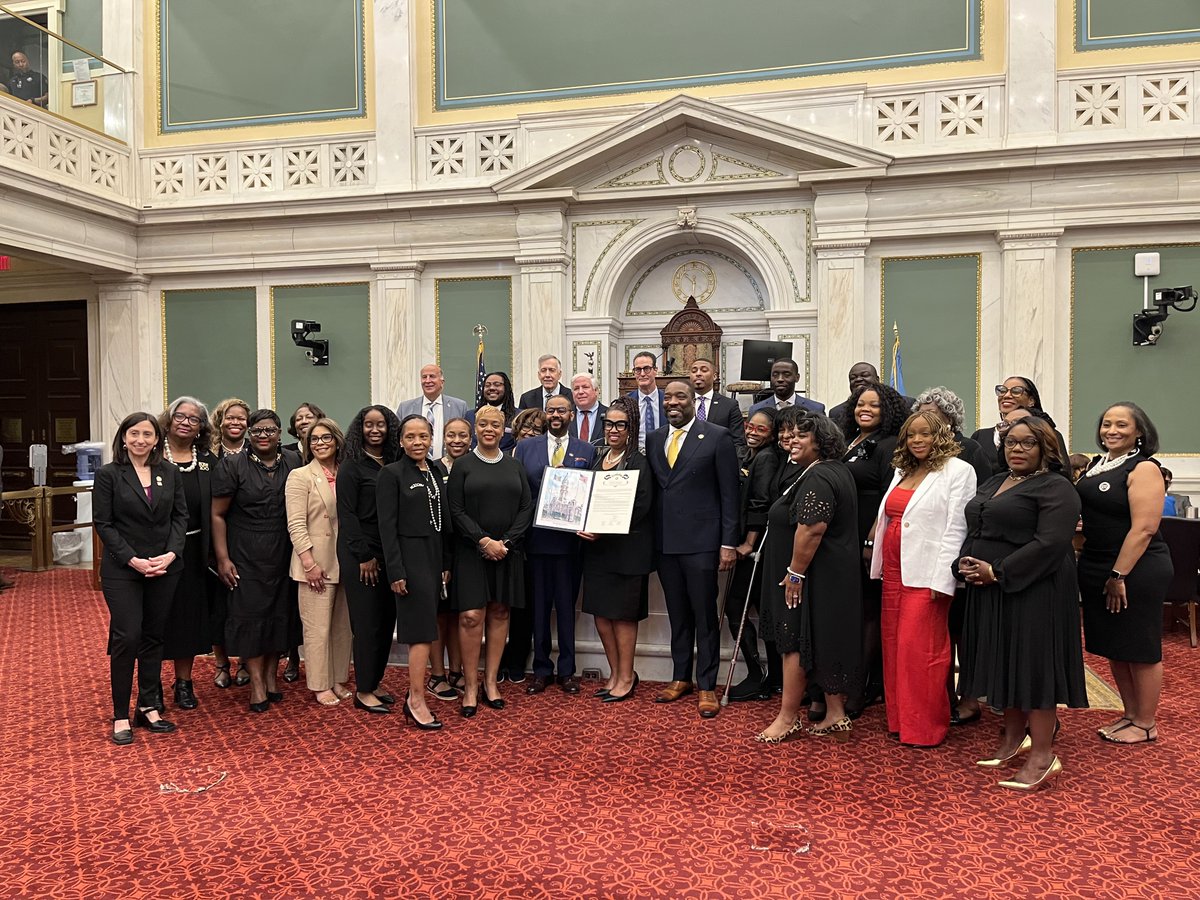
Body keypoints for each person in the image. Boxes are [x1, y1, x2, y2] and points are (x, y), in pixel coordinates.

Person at [955, 417, 1087, 790]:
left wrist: (997, 571)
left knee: (1033, 667)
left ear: (1046, 448)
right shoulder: (997, 481)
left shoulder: (1057, 488)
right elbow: (975, 526)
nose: (1016, 448)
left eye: (1028, 443)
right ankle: (1013, 741)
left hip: (1035, 587)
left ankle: (1044, 754)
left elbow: (1050, 544)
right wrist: (963, 563)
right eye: (1011, 442)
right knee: (1005, 661)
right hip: (991, 587)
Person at [869, 411, 976, 747]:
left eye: (924, 434)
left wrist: (943, 580)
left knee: (922, 650)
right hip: (894, 570)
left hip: (927, 574)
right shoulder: (903, 469)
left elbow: (957, 528)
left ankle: (926, 728)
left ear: (940, 435)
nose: (917, 440)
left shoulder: (959, 471)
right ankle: (901, 721)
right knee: (895, 646)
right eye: (911, 435)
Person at [757, 412, 862, 742]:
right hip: (828, 577)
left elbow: (812, 529)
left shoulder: (819, 478)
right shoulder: (830, 471)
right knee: (817, 642)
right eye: (789, 433)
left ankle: (787, 718)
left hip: (810, 579)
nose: (792, 440)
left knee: (795, 644)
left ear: (822, 441)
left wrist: (795, 574)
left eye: (802, 435)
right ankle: (835, 715)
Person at [1077, 402, 1173, 745]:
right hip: (1097, 564)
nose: (1111, 431)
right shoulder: (1097, 465)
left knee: (1139, 645)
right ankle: (1130, 714)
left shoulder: (1143, 467)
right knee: (1115, 645)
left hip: (1135, 568)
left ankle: (1147, 722)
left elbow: (1144, 529)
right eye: (1106, 424)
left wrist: (1118, 575)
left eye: (1121, 425)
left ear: (1139, 432)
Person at [646, 381, 740, 719]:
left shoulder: (716, 436)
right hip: (667, 543)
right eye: (668, 397)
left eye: (680, 397)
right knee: (677, 615)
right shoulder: (655, 438)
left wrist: (728, 543)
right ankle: (680, 677)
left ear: (693, 402)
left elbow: (730, 495)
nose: (673, 402)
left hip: (703, 543)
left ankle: (706, 686)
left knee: (704, 616)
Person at [93, 412, 188, 744]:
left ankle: (148, 706)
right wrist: (132, 559)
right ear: (123, 437)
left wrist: (172, 553)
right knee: (128, 636)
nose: (140, 440)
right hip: (123, 570)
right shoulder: (108, 475)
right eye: (134, 434)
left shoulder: (169, 472)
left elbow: (181, 517)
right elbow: (103, 524)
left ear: (156, 440)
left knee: (153, 636)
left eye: (147, 434)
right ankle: (121, 714)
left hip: (164, 566)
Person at [211, 409, 302, 713]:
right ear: (249, 434)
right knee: (252, 614)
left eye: (270, 430)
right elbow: (218, 514)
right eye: (257, 431)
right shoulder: (232, 465)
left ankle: (272, 677)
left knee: (280, 613)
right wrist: (223, 558)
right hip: (245, 550)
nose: (263, 436)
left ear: (280, 433)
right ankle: (257, 684)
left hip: (284, 548)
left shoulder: (293, 460)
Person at [911, 385, 992, 725]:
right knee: (935, 632)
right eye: (922, 413)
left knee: (961, 631)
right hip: (923, 555)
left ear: (950, 418)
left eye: (935, 414)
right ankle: (941, 696)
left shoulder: (970, 450)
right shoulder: (915, 453)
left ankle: (969, 698)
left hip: (962, 554)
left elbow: (979, 505)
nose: (927, 419)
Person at [447, 405, 534, 717]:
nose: (488, 429)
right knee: (471, 615)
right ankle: (470, 685)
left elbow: (527, 507)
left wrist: (505, 542)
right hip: (471, 551)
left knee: (499, 611)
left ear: (503, 429)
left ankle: (491, 683)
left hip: (507, 552)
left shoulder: (514, 466)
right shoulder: (463, 466)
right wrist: (483, 540)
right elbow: (454, 509)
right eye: (482, 424)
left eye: (495, 425)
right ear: (475, 428)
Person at [514, 394, 596, 693]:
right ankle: (541, 669)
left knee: (565, 608)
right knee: (538, 609)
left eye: (562, 410)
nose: (556, 415)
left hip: (570, 544)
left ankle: (567, 671)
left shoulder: (586, 450)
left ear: (572, 415)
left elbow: (591, 495)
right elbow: (520, 493)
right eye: (551, 411)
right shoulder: (525, 448)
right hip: (536, 540)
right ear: (545, 415)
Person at [377, 416, 453, 731]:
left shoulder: (437, 470)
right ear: (402, 440)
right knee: (420, 632)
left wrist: (446, 563)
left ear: (431, 438)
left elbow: (444, 520)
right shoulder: (391, 474)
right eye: (410, 437)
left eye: (423, 436)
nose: (417, 442)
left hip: (435, 558)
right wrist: (396, 570)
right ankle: (416, 699)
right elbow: (386, 528)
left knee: (428, 627)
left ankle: (416, 693)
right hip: (409, 560)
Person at [839, 382, 909, 717]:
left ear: (889, 411)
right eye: (860, 404)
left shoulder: (889, 444)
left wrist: (871, 540)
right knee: (850, 611)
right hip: (842, 536)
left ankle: (862, 687)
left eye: (874, 405)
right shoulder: (850, 440)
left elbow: (888, 495)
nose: (865, 410)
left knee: (868, 612)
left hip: (868, 537)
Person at [578, 396, 654, 702]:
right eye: (608, 423)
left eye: (620, 425)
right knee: (601, 615)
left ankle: (627, 676)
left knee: (623, 616)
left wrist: (602, 529)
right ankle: (614, 673)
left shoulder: (639, 461)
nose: (613, 429)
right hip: (597, 551)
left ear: (630, 428)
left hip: (627, 551)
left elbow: (642, 507)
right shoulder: (598, 458)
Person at [336, 405, 402, 714]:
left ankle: (374, 682)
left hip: (388, 551)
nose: (375, 430)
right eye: (368, 425)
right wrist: (363, 556)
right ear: (359, 429)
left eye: (381, 425)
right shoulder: (351, 465)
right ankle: (363, 690)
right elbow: (346, 515)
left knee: (386, 620)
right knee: (366, 623)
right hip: (359, 553)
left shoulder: (394, 462)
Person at [284, 418, 352, 707]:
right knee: (317, 628)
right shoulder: (300, 476)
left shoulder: (347, 473)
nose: (320, 443)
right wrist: (309, 562)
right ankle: (320, 684)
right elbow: (296, 524)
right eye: (314, 439)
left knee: (341, 627)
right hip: (314, 563)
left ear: (337, 441)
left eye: (326, 438)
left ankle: (337, 678)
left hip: (345, 560)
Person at [158, 397, 218, 712]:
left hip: (195, 552)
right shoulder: (151, 456)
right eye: (179, 416)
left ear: (201, 428)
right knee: (155, 618)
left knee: (188, 620)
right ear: (167, 421)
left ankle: (184, 682)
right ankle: (151, 683)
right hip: (154, 552)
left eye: (194, 419)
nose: (186, 422)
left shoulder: (208, 460)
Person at [725, 409, 782, 702]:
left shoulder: (767, 458)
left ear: (772, 435)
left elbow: (761, 502)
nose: (753, 432)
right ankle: (772, 678)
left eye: (761, 430)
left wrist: (749, 543)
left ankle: (757, 676)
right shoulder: (749, 454)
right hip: (753, 547)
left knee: (736, 608)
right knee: (764, 611)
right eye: (750, 426)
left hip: (757, 550)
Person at [280, 401, 326, 680]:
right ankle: (293, 658)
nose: (303, 421)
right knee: (291, 605)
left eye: (309, 416)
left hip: (320, 542)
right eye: (299, 418)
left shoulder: (333, 454)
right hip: (290, 536)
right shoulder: (285, 454)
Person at [208, 397, 252, 686]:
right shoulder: (207, 455)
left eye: (241, 418)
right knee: (218, 603)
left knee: (247, 602)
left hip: (248, 536)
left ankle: (246, 662)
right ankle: (221, 663)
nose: (236, 422)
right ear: (220, 421)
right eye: (230, 417)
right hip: (213, 536)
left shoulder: (256, 452)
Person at [428, 417, 472, 698]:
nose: (457, 440)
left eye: (463, 436)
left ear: (471, 439)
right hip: (438, 549)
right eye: (451, 435)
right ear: (443, 438)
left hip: (467, 550)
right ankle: (436, 675)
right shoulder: (432, 469)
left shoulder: (476, 467)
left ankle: (457, 671)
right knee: (439, 616)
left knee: (460, 614)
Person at [968, 377, 1068, 476]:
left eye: (1016, 391)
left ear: (1031, 400)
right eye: (1002, 391)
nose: (1006, 395)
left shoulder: (1047, 433)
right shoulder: (980, 436)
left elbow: (1062, 474)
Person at [912, 386, 992, 484]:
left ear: (950, 418)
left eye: (930, 414)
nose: (924, 418)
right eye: (920, 414)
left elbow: (984, 488)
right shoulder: (916, 447)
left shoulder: (969, 448)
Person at [396, 364, 470, 460]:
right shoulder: (405, 407)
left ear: (442, 382)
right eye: (424, 377)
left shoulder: (460, 406)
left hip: (449, 466)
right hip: (413, 467)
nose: (427, 381)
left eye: (432, 376)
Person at [689, 357, 746, 448]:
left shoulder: (729, 405)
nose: (698, 374)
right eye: (694, 371)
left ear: (714, 376)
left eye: (704, 370)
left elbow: (738, 440)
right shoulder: (683, 404)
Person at [748, 359, 824, 416]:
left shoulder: (815, 409)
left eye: (786, 375)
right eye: (775, 375)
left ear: (797, 378)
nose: (780, 379)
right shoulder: (756, 410)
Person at [468, 371, 518, 451]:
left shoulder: (518, 416)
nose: (491, 388)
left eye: (497, 385)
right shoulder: (470, 416)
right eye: (487, 385)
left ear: (506, 388)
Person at [627, 351, 665, 451]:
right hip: (634, 456)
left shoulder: (667, 400)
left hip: (664, 454)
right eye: (638, 370)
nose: (642, 374)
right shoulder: (626, 402)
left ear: (655, 370)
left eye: (647, 369)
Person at [827, 362, 882, 428]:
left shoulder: (889, 406)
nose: (858, 379)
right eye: (853, 378)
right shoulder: (836, 412)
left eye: (865, 375)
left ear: (877, 379)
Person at [569, 373, 607, 448]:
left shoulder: (608, 414)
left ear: (596, 391)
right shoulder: (566, 415)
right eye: (576, 388)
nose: (580, 392)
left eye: (585, 387)